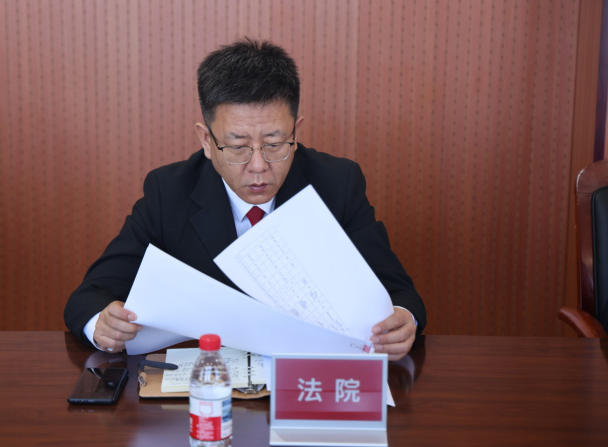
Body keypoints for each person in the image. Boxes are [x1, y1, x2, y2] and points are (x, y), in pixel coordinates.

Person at [64, 39, 426, 361]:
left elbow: (398, 292)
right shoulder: (168, 191)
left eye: (274, 143)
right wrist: (102, 324)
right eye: (237, 146)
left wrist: (402, 321)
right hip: (210, 383)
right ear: (206, 140)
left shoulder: (337, 184)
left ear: (296, 131)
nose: (258, 166)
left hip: (305, 381)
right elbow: (90, 296)